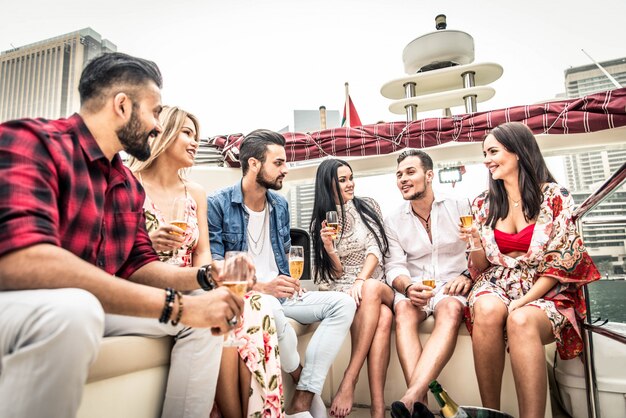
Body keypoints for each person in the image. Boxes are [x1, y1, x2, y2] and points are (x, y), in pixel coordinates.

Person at [0, 52, 247, 418]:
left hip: (86, 304)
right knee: (73, 309)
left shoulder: (125, 183)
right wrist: (178, 307)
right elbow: (24, 260)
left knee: (202, 317)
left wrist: (207, 277)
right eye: (154, 112)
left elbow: (137, 264)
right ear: (121, 105)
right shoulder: (32, 141)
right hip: (20, 301)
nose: (158, 127)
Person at [128, 106, 283, 417]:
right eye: (187, 133)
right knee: (222, 315)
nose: (194, 142)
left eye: (196, 135)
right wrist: (148, 242)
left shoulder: (195, 192)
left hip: (191, 284)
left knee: (243, 307)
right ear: (164, 133)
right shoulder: (129, 185)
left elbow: (202, 257)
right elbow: (119, 254)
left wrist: (216, 278)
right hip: (144, 285)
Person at [208, 129, 357, 418]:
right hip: (254, 295)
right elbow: (216, 265)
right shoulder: (218, 203)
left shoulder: (280, 204)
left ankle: (304, 392)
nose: (285, 170)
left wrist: (291, 281)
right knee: (268, 305)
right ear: (253, 164)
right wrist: (263, 287)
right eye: (278, 163)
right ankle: (298, 375)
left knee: (344, 303)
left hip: (282, 295)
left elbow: (287, 255)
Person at [464, 122, 600, 418]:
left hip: (545, 287)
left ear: (518, 152)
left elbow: (560, 260)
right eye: (484, 153)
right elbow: (482, 266)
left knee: (521, 321)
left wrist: (521, 302)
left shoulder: (554, 196)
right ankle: (490, 413)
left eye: (493, 151)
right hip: (497, 282)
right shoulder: (482, 203)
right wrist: (475, 242)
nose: (486, 160)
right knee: (486, 309)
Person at [384, 149, 472, 418]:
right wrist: (408, 287)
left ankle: (413, 397)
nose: (403, 179)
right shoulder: (393, 219)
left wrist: (467, 276)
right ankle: (420, 402)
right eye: (399, 175)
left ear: (429, 175)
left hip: (452, 285)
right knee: (404, 311)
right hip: (416, 286)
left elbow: (477, 251)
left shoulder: (460, 206)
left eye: (410, 172)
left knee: (451, 310)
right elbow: (394, 266)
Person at [310, 159, 394, 418]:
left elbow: (376, 247)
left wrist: (360, 280)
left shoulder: (368, 206)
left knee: (369, 288)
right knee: (385, 318)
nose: (350, 184)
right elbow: (333, 273)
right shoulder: (321, 223)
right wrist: (330, 250)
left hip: (376, 282)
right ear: (329, 185)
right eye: (343, 180)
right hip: (344, 288)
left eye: (351, 177)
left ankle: (349, 379)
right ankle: (378, 409)